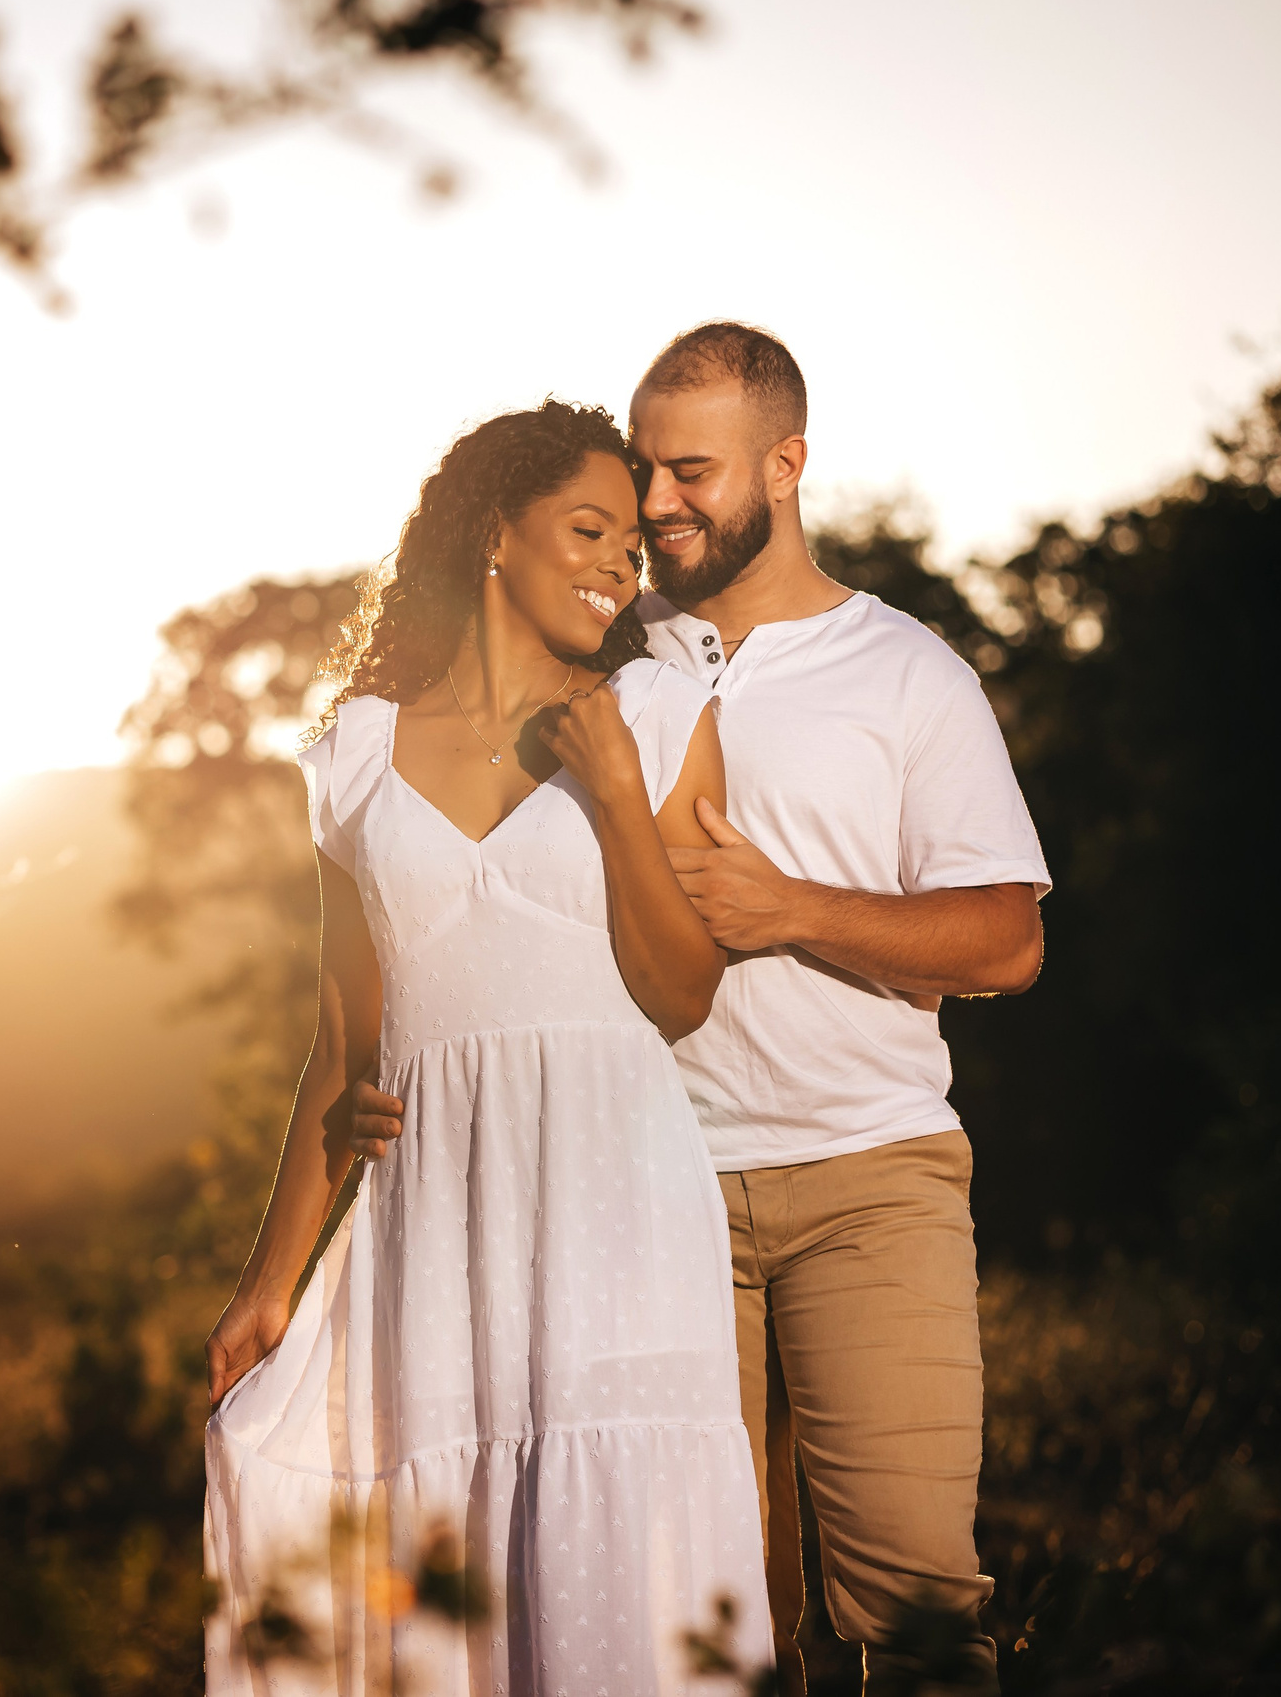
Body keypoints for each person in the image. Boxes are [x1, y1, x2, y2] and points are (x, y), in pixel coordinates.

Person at [348, 324, 1047, 1695]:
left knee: (911, 1616)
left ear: (786, 466)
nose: (657, 506)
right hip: (641, 1194)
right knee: (694, 1624)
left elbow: (1009, 941)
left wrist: (797, 908)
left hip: (869, 1177)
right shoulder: (596, 652)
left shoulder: (906, 675)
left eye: (692, 472)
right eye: (642, 472)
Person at [203, 399, 771, 1694]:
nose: (618, 566)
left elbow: (686, 994)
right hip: (432, 1218)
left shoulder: (662, 715)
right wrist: (267, 1282)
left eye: (632, 547)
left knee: (609, 1527)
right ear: (494, 532)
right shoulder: (354, 756)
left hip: (614, 1193)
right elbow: (344, 1036)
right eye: (589, 528)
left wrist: (621, 793)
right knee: (456, 1554)